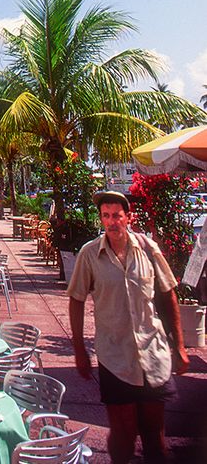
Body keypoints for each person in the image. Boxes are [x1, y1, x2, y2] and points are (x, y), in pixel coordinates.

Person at [67, 190, 189, 464]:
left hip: (153, 354)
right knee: (123, 434)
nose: (111, 222)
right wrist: (79, 350)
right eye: (106, 216)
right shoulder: (89, 254)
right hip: (115, 358)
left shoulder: (148, 249)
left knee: (155, 436)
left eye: (116, 216)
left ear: (128, 217)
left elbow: (168, 294)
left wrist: (179, 345)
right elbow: (76, 300)